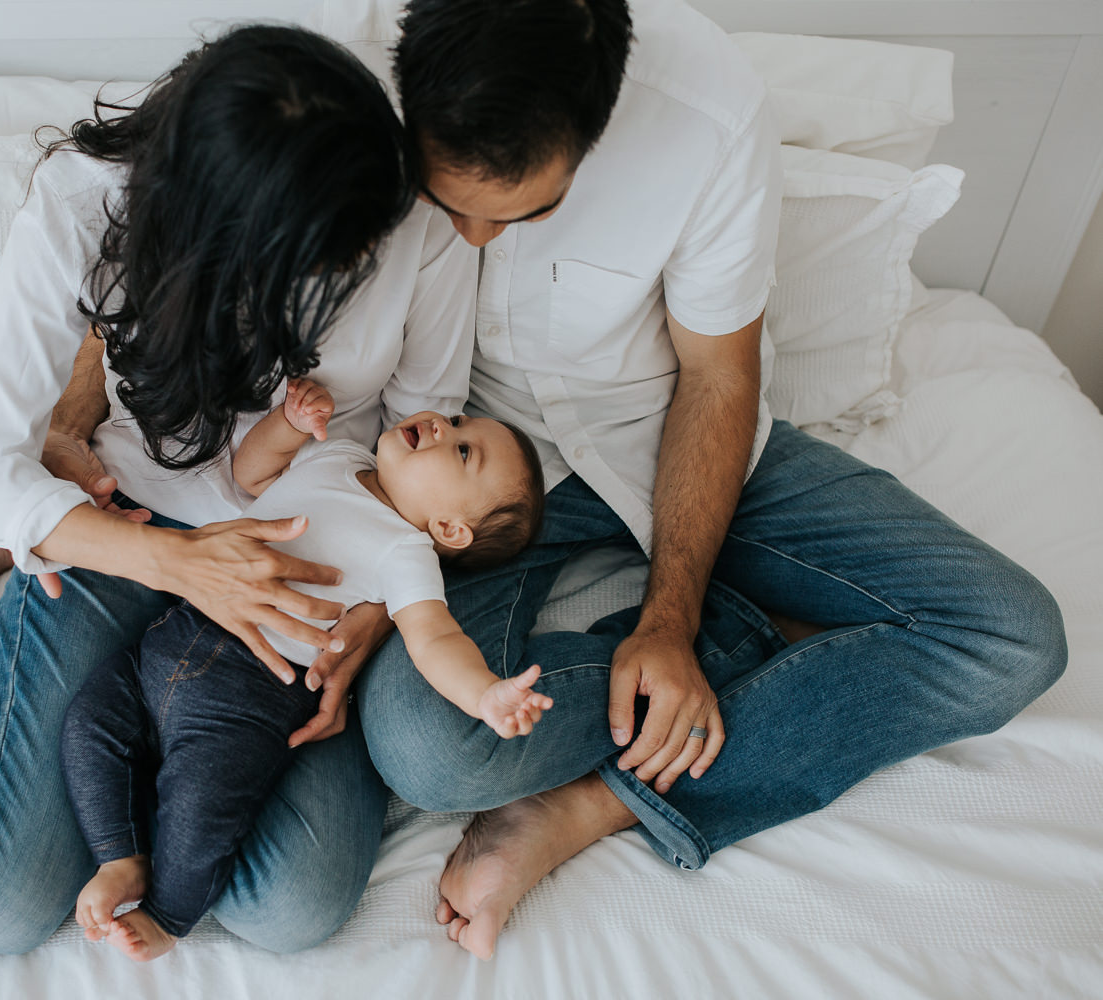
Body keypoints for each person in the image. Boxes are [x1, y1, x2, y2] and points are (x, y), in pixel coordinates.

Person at [354, 0, 1069, 960]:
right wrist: (372, 558)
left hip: (672, 427)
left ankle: (597, 805)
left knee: (1009, 636)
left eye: (523, 211)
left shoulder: (706, 107)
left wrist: (668, 619)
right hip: (468, 474)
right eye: (450, 206)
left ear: (596, 125)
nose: (474, 241)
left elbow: (717, 374)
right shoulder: (353, 62)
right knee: (429, 746)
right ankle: (757, 639)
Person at [0, 23, 480, 954]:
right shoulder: (87, 208)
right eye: (321, 266)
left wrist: (377, 613)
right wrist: (177, 563)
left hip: (308, 549)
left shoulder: (402, 209)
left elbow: (427, 430)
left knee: (288, 904)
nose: (351, 271)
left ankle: (162, 742)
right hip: (129, 521)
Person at [59, 380, 549, 961]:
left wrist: (485, 694)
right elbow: (251, 475)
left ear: (449, 530)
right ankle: (121, 855)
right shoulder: (343, 455)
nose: (447, 425)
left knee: (200, 804)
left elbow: (435, 639)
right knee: (88, 724)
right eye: (462, 420)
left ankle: (167, 916)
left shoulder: (406, 555)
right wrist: (288, 424)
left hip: (246, 699)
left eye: (464, 451)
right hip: (176, 635)